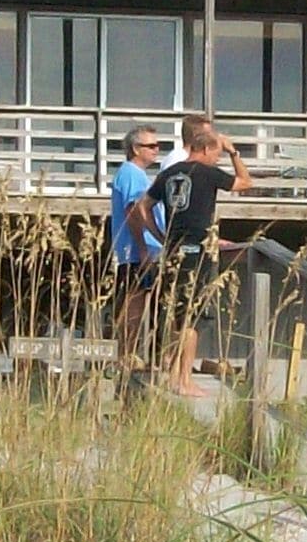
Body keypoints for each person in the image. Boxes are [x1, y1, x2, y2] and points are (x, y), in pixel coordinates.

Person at [149, 115, 251, 385]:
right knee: (191, 319)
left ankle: (173, 373)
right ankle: (184, 380)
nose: (217, 158)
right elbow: (245, 182)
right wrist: (234, 153)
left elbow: (141, 207)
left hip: (173, 250)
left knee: (174, 313)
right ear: (205, 149)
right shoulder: (207, 173)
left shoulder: (168, 173)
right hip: (196, 252)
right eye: (216, 153)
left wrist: (161, 235)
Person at [108, 122, 167, 370]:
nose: (156, 150)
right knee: (135, 303)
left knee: (147, 303)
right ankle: (126, 354)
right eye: (151, 146)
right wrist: (144, 246)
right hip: (137, 252)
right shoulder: (132, 173)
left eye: (157, 145)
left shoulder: (138, 174)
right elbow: (134, 211)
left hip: (147, 249)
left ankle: (140, 354)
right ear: (135, 148)